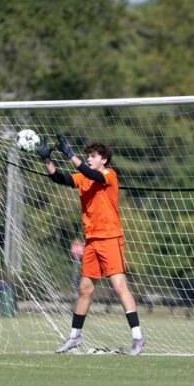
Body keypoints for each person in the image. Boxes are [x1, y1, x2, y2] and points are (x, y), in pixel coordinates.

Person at [38, 134, 145, 356]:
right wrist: (47, 160)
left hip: (110, 239)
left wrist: (69, 153)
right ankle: (75, 336)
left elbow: (90, 173)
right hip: (92, 241)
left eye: (93, 156)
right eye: (87, 156)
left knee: (119, 287)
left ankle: (138, 338)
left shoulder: (108, 174)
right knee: (85, 289)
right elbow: (60, 178)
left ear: (103, 159)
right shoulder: (84, 177)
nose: (89, 159)